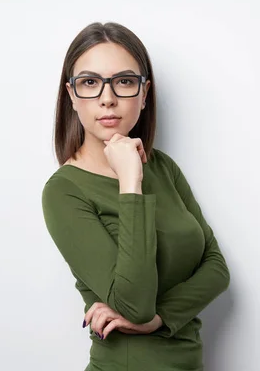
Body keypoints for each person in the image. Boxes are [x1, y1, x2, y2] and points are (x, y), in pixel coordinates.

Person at [41, 22, 230, 371]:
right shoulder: (64, 191)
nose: (108, 98)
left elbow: (217, 269)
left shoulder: (163, 168)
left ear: (144, 95)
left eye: (124, 81)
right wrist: (130, 181)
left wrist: (160, 319)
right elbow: (134, 304)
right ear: (71, 96)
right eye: (90, 82)